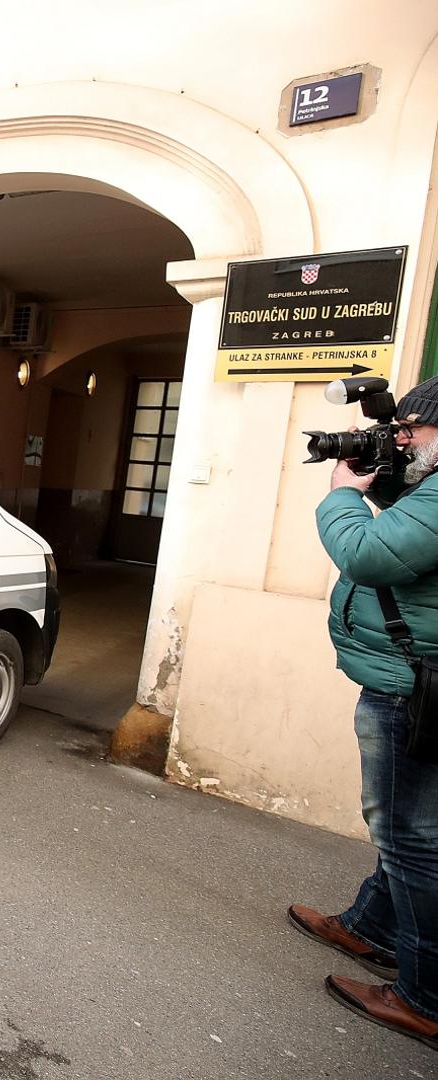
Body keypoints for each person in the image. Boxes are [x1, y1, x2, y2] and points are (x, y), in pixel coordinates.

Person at [293, 373, 438, 1048]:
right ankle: (371, 928)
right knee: (405, 826)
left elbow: (371, 551)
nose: (402, 440)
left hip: (412, 689)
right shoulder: (430, 485)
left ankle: (426, 997)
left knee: (408, 834)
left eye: (413, 429)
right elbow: (413, 523)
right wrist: (378, 479)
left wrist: (341, 496)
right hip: (411, 679)